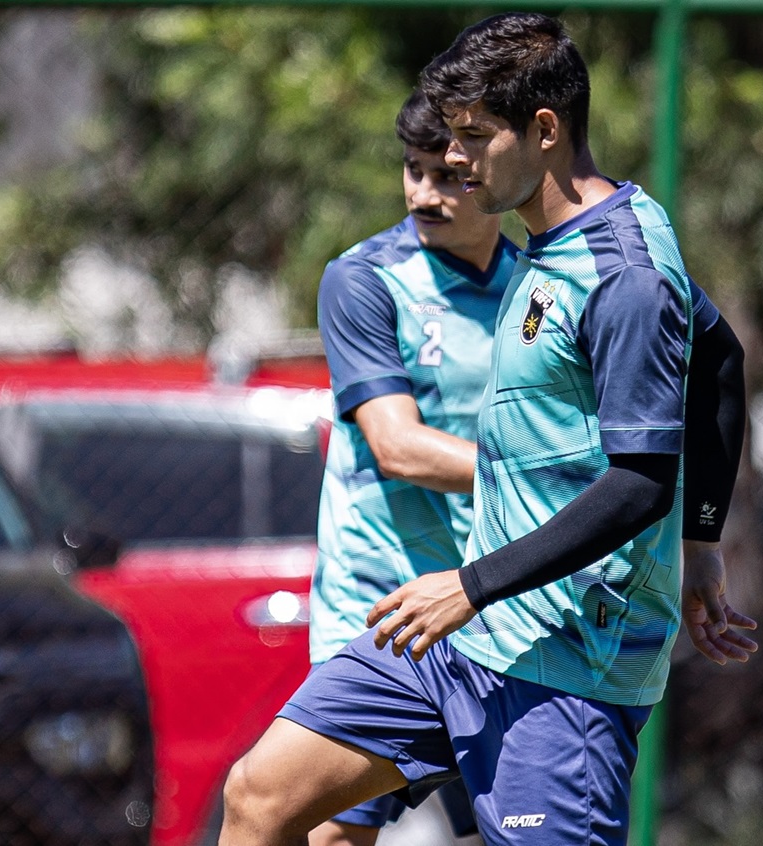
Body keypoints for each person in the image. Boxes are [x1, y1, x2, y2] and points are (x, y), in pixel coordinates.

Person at [219, 13, 757, 846]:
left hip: (566, 660)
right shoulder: (542, 244)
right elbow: (722, 360)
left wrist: (472, 584)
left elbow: (640, 482)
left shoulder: (625, 277)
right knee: (259, 798)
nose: (455, 161)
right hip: (464, 638)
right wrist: (706, 543)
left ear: (545, 132)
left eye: (474, 137)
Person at [309, 87, 519, 846]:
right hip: (382, 611)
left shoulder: (542, 288)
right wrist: (555, 486)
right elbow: (396, 448)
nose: (424, 193)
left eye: (448, 175)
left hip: (498, 606)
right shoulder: (365, 280)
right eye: (412, 170)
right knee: (329, 830)